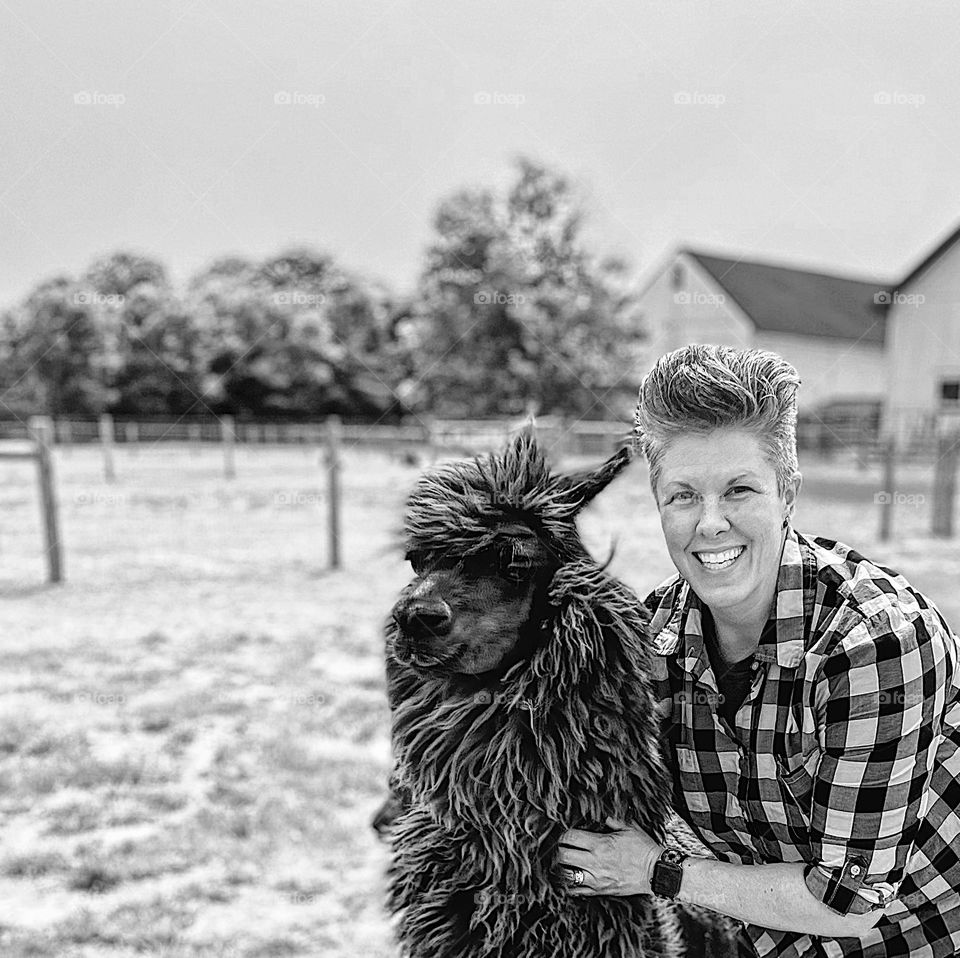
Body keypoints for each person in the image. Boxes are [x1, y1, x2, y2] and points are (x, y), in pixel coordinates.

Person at [556, 344, 960, 958]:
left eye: (740, 490)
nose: (710, 523)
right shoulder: (651, 640)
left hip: (918, 940)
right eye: (683, 496)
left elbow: (849, 904)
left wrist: (656, 872)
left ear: (787, 492)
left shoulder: (875, 643)